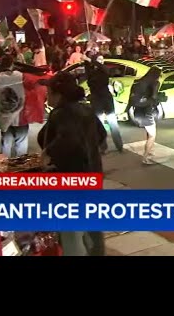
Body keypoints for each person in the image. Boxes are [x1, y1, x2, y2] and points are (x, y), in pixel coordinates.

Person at [38, 71, 107, 256]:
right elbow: (101, 135)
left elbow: (68, 139)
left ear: (58, 93)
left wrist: (48, 153)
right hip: (92, 175)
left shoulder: (61, 114)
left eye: (49, 91)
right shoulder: (85, 109)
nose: (47, 95)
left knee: (70, 233)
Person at [0, 55, 45, 158]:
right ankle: (20, 169)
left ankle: (3, 168)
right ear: (12, 64)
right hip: (21, 117)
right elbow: (36, 85)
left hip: (4, 117)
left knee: (5, 146)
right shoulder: (21, 76)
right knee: (21, 146)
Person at [85, 55, 123, 152]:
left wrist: (94, 61)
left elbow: (104, 69)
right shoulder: (92, 72)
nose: (101, 61)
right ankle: (103, 147)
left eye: (102, 59)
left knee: (112, 123)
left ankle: (119, 145)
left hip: (105, 99)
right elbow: (87, 68)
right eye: (99, 59)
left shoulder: (104, 70)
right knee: (100, 125)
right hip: (97, 100)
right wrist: (88, 61)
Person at [127, 67, 164, 165]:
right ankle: (145, 157)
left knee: (149, 133)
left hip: (137, 112)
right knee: (152, 136)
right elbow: (153, 98)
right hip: (146, 113)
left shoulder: (138, 83)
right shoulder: (154, 84)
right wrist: (158, 99)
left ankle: (150, 153)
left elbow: (131, 99)